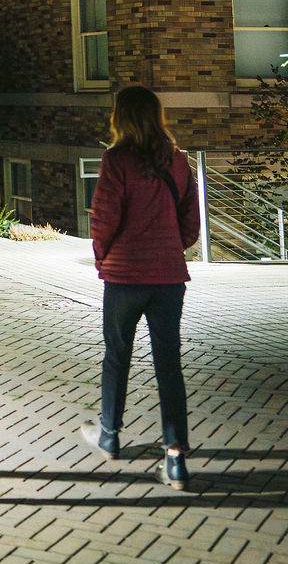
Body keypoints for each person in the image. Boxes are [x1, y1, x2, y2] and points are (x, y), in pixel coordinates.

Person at [80, 84, 200, 490]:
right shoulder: (179, 162)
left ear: (122, 118)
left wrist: (102, 257)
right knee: (169, 363)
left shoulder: (116, 160)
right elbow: (191, 224)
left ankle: (110, 435)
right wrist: (168, 246)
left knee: (117, 355)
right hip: (168, 278)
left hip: (124, 275)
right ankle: (176, 457)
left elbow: (104, 218)